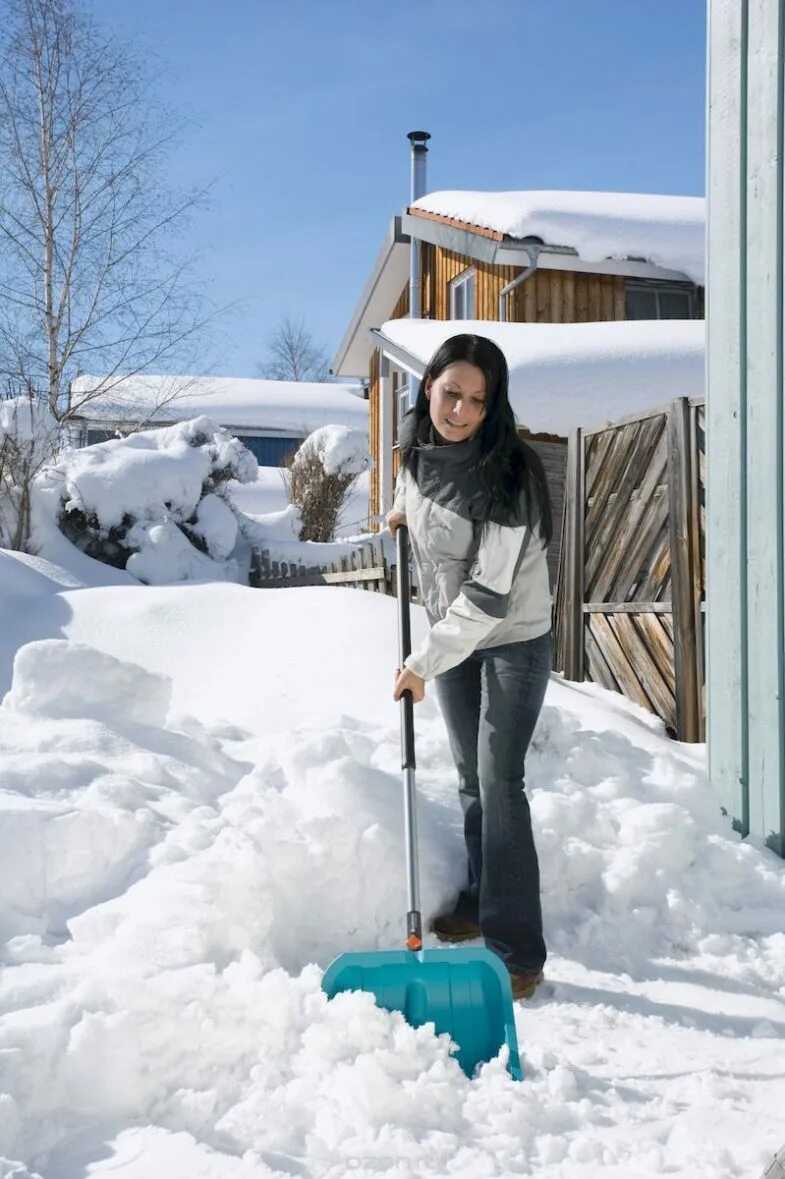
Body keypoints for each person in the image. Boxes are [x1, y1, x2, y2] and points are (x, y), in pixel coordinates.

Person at [387, 333, 552, 1001]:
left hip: (511, 634)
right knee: (467, 774)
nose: (458, 410)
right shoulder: (416, 445)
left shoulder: (510, 477)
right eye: (450, 392)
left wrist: (421, 661)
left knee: (498, 776)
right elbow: (413, 484)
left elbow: (488, 595)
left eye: (476, 401)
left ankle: (517, 951)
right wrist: (403, 509)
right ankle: (483, 897)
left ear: (491, 408)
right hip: (453, 631)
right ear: (428, 385)